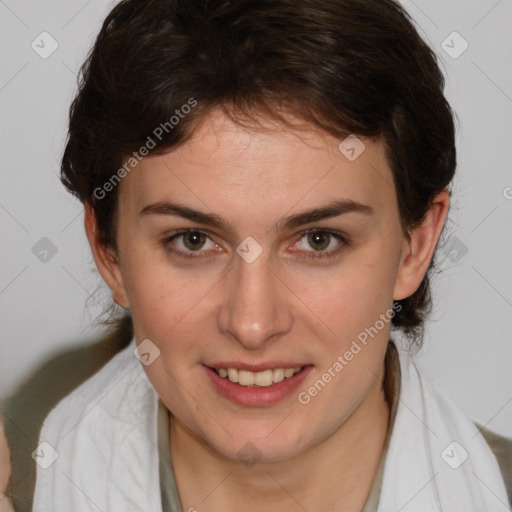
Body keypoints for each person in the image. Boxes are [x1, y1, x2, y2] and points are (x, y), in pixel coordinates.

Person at [5, 0, 509, 510]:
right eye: (193, 240)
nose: (252, 324)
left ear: (414, 246)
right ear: (108, 252)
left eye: (318, 240)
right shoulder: (24, 471)